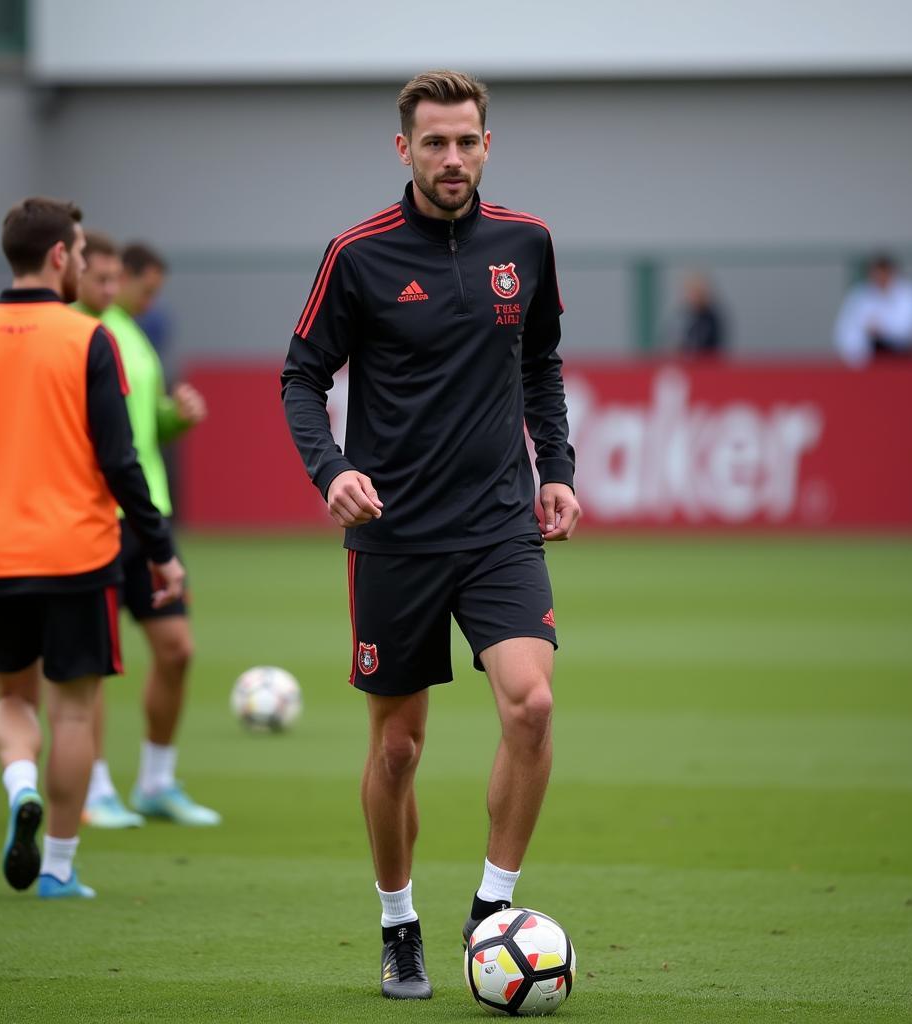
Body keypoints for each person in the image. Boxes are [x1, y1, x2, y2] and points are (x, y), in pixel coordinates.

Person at [281, 69, 579, 1000]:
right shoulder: (357, 253)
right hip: (394, 534)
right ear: (403, 149)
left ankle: (493, 909)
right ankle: (398, 921)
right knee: (399, 749)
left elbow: (542, 366)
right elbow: (299, 377)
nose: (453, 158)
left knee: (530, 707)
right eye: (435, 142)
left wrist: (557, 470)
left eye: (467, 141)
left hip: (498, 526)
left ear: (489, 144)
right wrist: (333, 473)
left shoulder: (525, 243)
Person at [0, 197, 184, 898]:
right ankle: (59, 868)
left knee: (12, 698)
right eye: (76, 252)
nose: (81, 262)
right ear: (56, 257)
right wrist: (160, 548)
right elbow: (120, 457)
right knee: (72, 710)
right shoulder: (88, 340)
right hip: (78, 557)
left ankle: (20, 787)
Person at [74, 237, 218, 829]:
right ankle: (95, 789)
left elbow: (137, 427)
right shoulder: (72, 335)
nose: (119, 294)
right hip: (93, 518)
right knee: (94, 666)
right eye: (108, 281)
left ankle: (156, 783)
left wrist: (172, 417)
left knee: (177, 649)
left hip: (146, 518)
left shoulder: (131, 333)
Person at [834, 253, 912, 366]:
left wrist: (883, 330)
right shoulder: (859, 296)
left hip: (903, 357)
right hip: (869, 360)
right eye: (876, 274)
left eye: (883, 274)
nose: (879, 278)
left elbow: (911, 329)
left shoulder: (910, 294)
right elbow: (846, 330)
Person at [670, 272, 726, 356]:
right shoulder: (683, 316)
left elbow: (702, 346)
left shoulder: (709, 319)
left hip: (704, 364)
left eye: (694, 292)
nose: (689, 296)